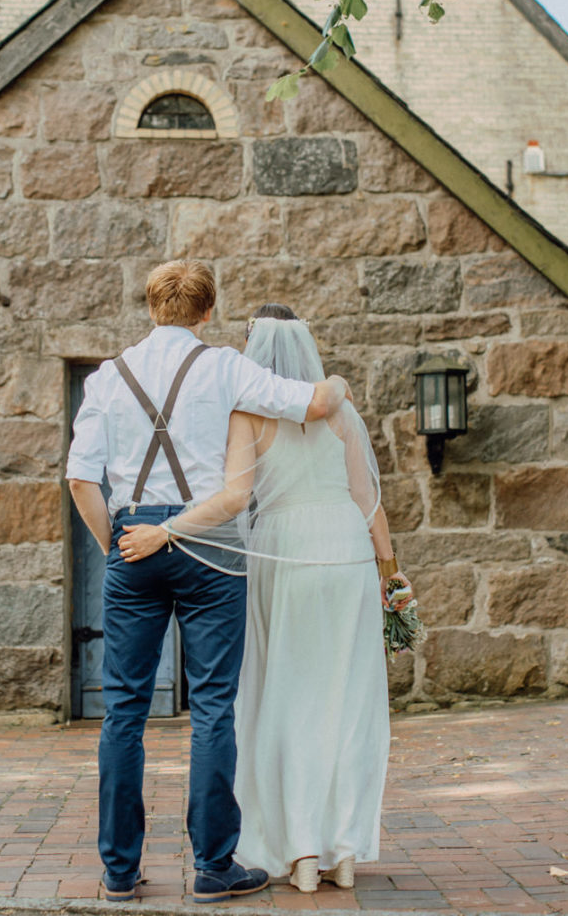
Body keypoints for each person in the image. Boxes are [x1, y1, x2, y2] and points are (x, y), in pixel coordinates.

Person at [66, 262, 352, 904]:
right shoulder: (224, 366)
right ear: (206, 313)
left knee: (123, 713)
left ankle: (118, 872)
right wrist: (336, 382)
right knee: (213, 709)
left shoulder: (109, 377)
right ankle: (215, 868)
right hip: (213, 548)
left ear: (150, 309)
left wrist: (116, 545)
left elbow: (82, 480)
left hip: (134, 544)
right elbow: (308, 404)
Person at [121, 303, 408, 894]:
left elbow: (235, 497)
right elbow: (367, 498)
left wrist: (173, 529)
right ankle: (344, 849)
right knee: (346, 699)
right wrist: (392, 571)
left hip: (286, 551)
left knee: (287, 697)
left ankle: (300, 849)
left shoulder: (248, 412)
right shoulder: (339, 408)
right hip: (347, 552)